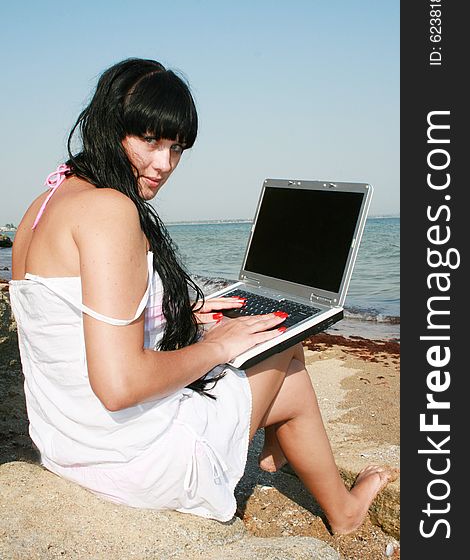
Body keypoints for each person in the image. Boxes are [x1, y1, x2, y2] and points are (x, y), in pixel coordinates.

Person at [10, 58, 396, 533]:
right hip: (129, 461)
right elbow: (119, 385)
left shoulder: (48, 199)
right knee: (283, 348)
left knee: (271, 340)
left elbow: (67, 321)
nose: (163, 164)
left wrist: (173, 314)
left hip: (67, 444)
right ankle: (338, 504)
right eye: (149, 140)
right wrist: (216, 345)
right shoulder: (107, 210)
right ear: (110, 123)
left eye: (176, 147)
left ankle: (284, 449)